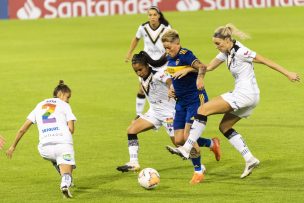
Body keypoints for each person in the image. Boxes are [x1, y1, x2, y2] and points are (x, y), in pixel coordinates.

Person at [166, 24, 301, 179]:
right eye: (215, 44)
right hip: (250, 97)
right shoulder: (226, 52)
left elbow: (265, 60)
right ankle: (249, 159)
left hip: (245, 94)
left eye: (218, 43)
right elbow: (208, 67)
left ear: (228, 40)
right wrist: (189, 69)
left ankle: (186, 147)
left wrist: (287, 73)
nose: (217, 47)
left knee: (202, 110)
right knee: (225, 126)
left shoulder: (241, 51)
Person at [142, 29, 221, 184]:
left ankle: (198, 171)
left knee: (187, 137)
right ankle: (212, 143)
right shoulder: (169, 56)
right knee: (179, 140)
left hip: (195, 100)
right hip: (180, 102)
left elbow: (203, 67)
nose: (167, 51)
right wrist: (172, 89)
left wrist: (191, 70)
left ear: (177, 44)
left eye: (169, 47)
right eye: (165, 48)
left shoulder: (186, 54)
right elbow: (170, 73)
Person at [6, 80, 77, 198]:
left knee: (55, 156)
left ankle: (58, 164)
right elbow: (71, 129)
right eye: (68, 97)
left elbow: (22, 129)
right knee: (67, 171)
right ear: (62, 94)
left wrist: (13, 146)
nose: (68, 100)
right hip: (63, 145)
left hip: (44, 149)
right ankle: (65, 183)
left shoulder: (40, 105)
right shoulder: (65, 105)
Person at [117, 52, 176, 173]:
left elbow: (169, 79)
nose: (139, 73)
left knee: (179, 142)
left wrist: (171, 87)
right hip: (154, 113)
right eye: (136, 71)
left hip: (169, 114)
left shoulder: (158, 75)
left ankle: (210, 144)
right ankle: (134, 162)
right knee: (131, 130)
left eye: (140, 69)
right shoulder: (141, 78)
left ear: (147, 66)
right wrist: (139, 115)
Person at [125, 6, 171, 118]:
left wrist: (169, 53)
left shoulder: (166, 28)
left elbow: (171, 42)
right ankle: (139, 114)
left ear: (159, 15)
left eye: (154, 15)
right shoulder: (143, 27)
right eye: (150, 15)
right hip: (146, 63)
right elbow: (136, 38)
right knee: (142, 88)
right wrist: (129, 52)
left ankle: (168, 112)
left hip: (163, 63)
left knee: (166, 88)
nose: (152, 17)